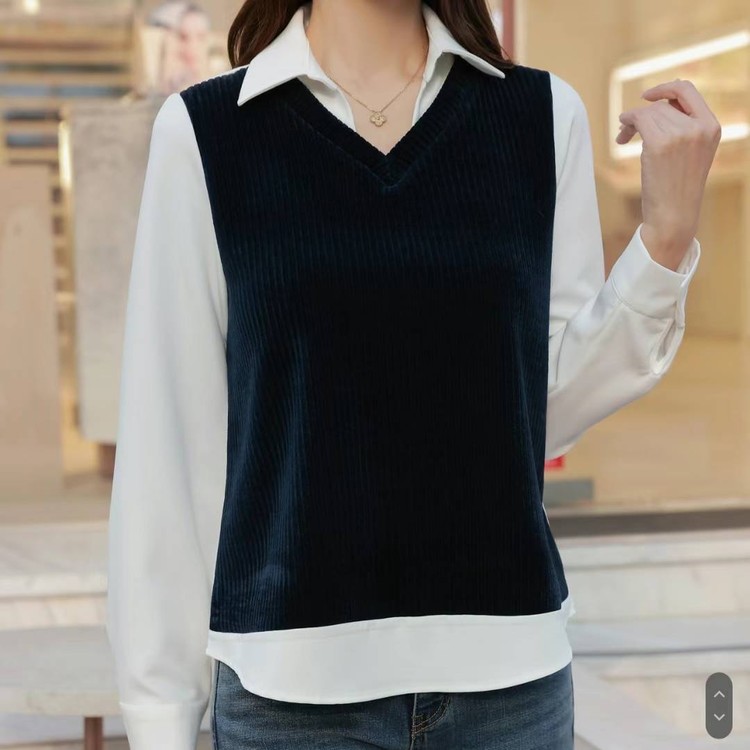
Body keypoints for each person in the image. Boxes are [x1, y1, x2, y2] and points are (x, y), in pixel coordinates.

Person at [105, 1, 720, 748]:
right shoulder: (207, 130)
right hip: (289, 692)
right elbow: (170, 446)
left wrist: (664, 242)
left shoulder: (540, 115)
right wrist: (161, 718)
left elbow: (537, 408)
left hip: (509, 686)